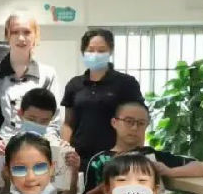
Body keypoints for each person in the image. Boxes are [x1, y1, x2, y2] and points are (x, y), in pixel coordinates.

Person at [0, 13, 61, 153]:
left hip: (37, 148)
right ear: (7, 35)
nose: (21, 38)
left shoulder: (48, 74)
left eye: (27, 32)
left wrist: (49, 143)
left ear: (36, 36)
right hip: (1, 149)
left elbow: (53, 121)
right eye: (15, 32)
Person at [62, 29, 145, 170]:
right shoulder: (74, 84)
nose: (95, 55)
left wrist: (136, 155)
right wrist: (65, 150)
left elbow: (139, 121)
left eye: (101, 50)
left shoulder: (126, 83)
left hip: (115, 158)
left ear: (110, 51)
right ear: (83, 52)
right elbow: (68, 123)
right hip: (78, 158)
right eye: (91, 50)